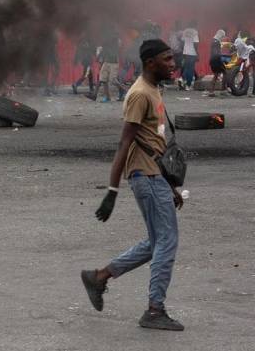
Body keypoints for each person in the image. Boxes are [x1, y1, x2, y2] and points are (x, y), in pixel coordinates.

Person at [81, 39, 185, 331]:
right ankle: (154, 310)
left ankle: (99, 277)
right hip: (145, 176)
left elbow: (154, 142)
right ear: (150, 62)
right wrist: (112, 192)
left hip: (155, 176)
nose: (173, 64)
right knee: (167, 240)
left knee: (156, 242)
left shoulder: (154, 89)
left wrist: (170, 186)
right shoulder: (140, 94)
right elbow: (124, 143)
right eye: (167, 59)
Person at [87, 26, 121, 102]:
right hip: (107, 61)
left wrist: (99, 57)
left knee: (113, 81)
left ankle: (125, 91)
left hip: (113, 62)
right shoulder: (110, 39)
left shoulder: (115, 39)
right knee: (102, 79)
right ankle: (96, 96)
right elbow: (104, 49)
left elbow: (107, 49)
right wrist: (99, 57)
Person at [180, 20, 199, 90]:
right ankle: (188, 85)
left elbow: (182, 41)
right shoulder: (195, 32)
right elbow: (195, 44)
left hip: (185, 52)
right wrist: (197, 53)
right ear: (195, 25)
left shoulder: (185, 31)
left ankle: (182, 79)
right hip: (192, 53)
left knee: (186, 67)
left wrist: (184, 49)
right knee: (190, 69)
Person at [208, 29, 227, 97]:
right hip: (216, 60)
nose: (222, 38)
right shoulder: (216, 42)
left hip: (213, 60)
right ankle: (223, 90)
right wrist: (222, 58)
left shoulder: (214, 40)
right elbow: (216, 53)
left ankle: (211, 91)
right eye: (222, 36)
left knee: (216, 75)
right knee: (225, 72)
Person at [168, 20, 184, 86]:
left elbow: (169, 42)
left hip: (172, 51)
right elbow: (183, 42)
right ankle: (179, 79)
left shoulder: (172, 33)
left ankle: (170, 78)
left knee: (175, 66)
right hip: (178, 52)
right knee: (179, 66)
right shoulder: (180, 33)